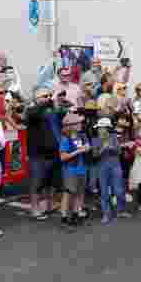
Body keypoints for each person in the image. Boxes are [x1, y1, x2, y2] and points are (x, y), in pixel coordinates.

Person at [25, 87, 63, 221]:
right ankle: (35, 209)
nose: (48, 98)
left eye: (49, 95)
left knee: (51, 182)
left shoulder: (52, 111)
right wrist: (47, 102)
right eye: (44, 96)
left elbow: (62, 115)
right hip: (38, 154)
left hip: (54, 151)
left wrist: (59, 103)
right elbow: (33, 114)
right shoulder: (32, 111)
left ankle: (49, 205)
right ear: (36, 99)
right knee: (37, 182)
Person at [91, 117, 131, 224]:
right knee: (104, 192)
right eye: (99, 128)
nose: (100, 130)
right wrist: (102, 149)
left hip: (115, 166)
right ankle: (106, 214)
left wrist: (112, 148)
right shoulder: (95, 139)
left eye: (102, 128)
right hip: (102, 167)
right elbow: (94, 155)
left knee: (119, 190)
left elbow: (119, 152)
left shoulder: (113, 137)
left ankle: (121, 210)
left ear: (107, 128)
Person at [58, 112, 90, 228]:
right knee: (68, 194)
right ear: (71, 125)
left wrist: (86, 148)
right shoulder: (65, 139)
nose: (81, 124)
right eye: (78, 123)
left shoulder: (82, 136)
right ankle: (64, 217)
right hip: (70, 170)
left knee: (80, 194)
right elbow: (62, 157)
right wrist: (79, 151)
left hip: (82, 169)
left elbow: (87, 147)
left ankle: (76, 214)